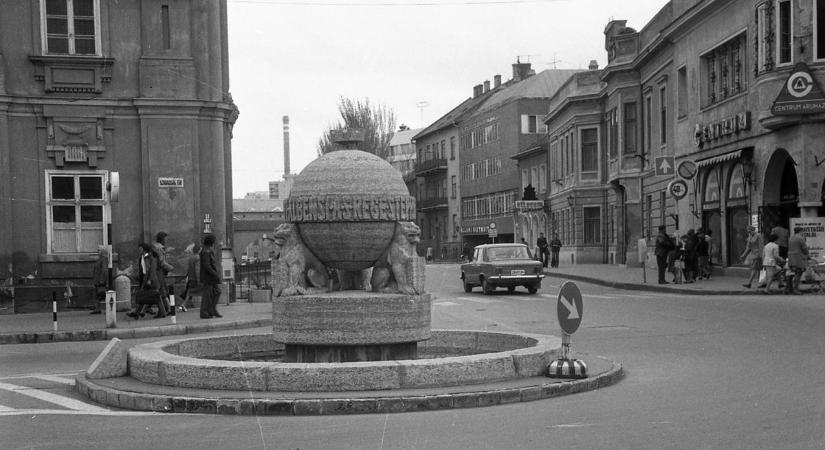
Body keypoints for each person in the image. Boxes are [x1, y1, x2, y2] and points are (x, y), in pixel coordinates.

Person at [127, 243, 167, 319]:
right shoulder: (143, 257)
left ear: (144, 249)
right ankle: (137, 312)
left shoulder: (149, 257)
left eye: (140, 248)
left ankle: (162, 312)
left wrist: (149, 280)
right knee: (145, 295)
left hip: (150, 280)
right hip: (146, 279)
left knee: (155, 296)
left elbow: (150, 270)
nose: (139, 250)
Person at [200, 234, 222, 319]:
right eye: (214, 242)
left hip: (211, 277)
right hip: (208, 277)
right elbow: (207, 265)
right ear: (211, 242)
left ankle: (212, 310)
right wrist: (215, 274)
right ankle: (204, 312)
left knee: (217, 292)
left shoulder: (208, 250)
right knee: (207, 295)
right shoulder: (206, 251)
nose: (215, 243)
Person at [153, 231, 174, 312]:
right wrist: (170, 268)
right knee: (162, 290)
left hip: (158, 271)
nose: (166, 241)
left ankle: (165, 309)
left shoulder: (157, 247)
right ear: (162, 239)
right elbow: (161, 262)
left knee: (162, 290)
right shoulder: (159, 248)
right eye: (165, 239)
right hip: (159, 271)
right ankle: (169, 309)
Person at [178, 244, 201, 312]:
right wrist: (199, 280)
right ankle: (183, 305)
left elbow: (189, 269)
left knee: (190, 292)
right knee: (192, 292)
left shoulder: (191, 258)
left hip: (191, 277)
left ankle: (185, 305)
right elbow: (197, 270)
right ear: (199, 250)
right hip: (195, 278)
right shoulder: (197, 257)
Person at [787, 226, 809, 295]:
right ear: (800, 231)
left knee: (791, 273)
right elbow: (804, 248)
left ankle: (789, 289)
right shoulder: (800, 238)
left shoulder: (791, 238)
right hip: (798, 258)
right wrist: (807, 254)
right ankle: (795, 289)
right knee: (798, 273)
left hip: (791, 258)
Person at [89, 246, 108, 314]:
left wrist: (102, 280)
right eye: (98, 250)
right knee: (97, 295)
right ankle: (97, 308)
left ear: (103, 251)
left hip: (100, 280)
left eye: (99, 250)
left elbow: (104, 270)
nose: (98, 252)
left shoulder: (104, 259)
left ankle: (108, 309)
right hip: (96, 280)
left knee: (103, 295)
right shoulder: (99, 259)